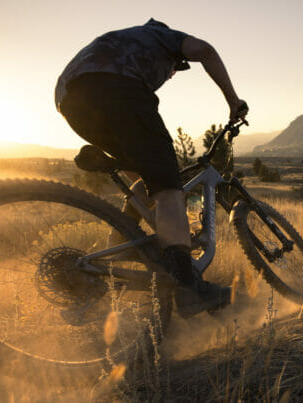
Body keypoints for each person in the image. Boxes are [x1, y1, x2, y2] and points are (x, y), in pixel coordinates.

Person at [55, 18, 248, 317]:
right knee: (168, 186)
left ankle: (122, 250)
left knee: (147, 181)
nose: (172, 75)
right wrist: (233, 101)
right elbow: (206, 51)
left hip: (70, 100)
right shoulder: (163, 37)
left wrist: (170, 225)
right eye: (176, 68)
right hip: (114, 87)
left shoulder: (124, 40)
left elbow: (147, 184)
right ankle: (188, 289)